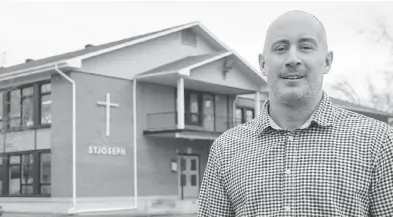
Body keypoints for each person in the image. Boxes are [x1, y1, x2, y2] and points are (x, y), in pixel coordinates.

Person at [198, 10, 393, 216]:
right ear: (263, 64)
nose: (293, 59)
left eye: (306, 47)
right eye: (280, 48)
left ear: (327, 61)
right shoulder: (225, 150)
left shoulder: (378, 142)